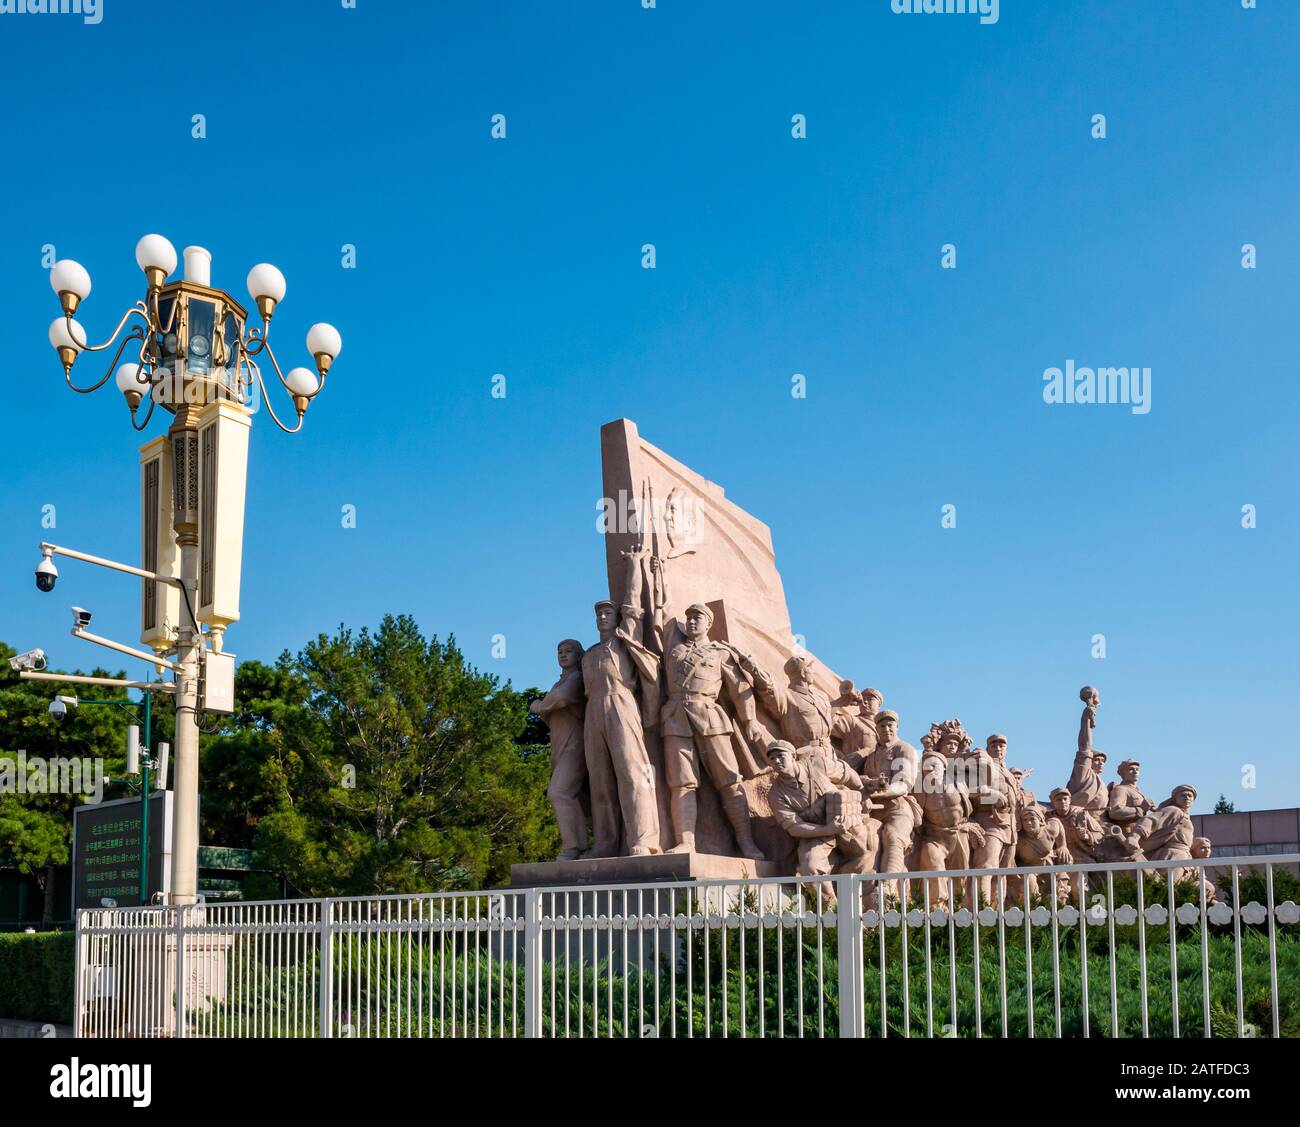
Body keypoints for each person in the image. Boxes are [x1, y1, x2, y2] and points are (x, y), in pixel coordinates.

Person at [660, 602, 767, 860]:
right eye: (689, 618)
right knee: (681, 784)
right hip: (675, 718)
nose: (692, 622)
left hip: (710, 716)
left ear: (709, 623)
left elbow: (741, 690)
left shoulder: (720, 652)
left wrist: (750, 720)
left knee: (730, 780)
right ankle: (685, 841)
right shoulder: (674, 650)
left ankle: (746, 842)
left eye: (698, 618)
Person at [580, 549, 663, 857]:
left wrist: (635, 565)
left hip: (621, 703)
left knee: (634, 772)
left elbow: (632, 606)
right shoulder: (589, 653)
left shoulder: (623, 640)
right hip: (593, 710)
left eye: (607, 613)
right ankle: (606, 843)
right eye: (598, 614)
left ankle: (644, 838)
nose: (602, 617)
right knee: (600, 779)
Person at [766, 740, 874, 908]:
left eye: (781, 756)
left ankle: (860, 899)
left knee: (866, 850)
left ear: (793, 756)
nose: (777, 761)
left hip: (845, 821)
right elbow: (794, 826)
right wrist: (826, 829)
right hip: (816, 832)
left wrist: (862, 792)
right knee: (810, 867)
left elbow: (846, 772)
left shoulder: (817, 764)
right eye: (772, 759)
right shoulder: (776, 793)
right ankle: (832, 913)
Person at [530, 638, 589, 860]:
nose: (563, 655)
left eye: (568, 651)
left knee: (559, 792)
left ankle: (574, 848)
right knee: (573, 796)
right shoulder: (561, 681)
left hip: (576, 743)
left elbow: (560, 698)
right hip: (559, 745)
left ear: (578, 655)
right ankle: (580, 846)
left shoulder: (577, 678)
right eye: (559, 652)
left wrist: (538, 706)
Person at [858, 709, 920, 906]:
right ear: (876, 729)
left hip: (898, 807)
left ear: (897, 727)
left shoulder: (904, 749)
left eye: (890, 725)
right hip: (874, 809)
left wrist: (884, 791)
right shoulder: (870, 757)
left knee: (892, 835)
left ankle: (888, 890)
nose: (886, 729)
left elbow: (904, 783)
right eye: (882, 726)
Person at [971, 733, 1019, 907]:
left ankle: (996, 913)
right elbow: (969, 790)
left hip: (1010, 828)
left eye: (1002, 745)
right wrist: (992, 795)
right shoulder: (983, 763)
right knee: (986, 867)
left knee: (1002, 873)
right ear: (987, 748)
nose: (998, 748)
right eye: (994, 745)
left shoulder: (1008, 772)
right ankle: (981, 910)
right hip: (989, 822)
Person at [1106, 758, 1153, 830]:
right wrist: (1141, 809)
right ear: (1122, 773)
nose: (1135, 772)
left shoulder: (1136, 791)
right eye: (1131, 769)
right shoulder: (1120, 789)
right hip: (1128, 832)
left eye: (1137, 769)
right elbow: (1115, 812)